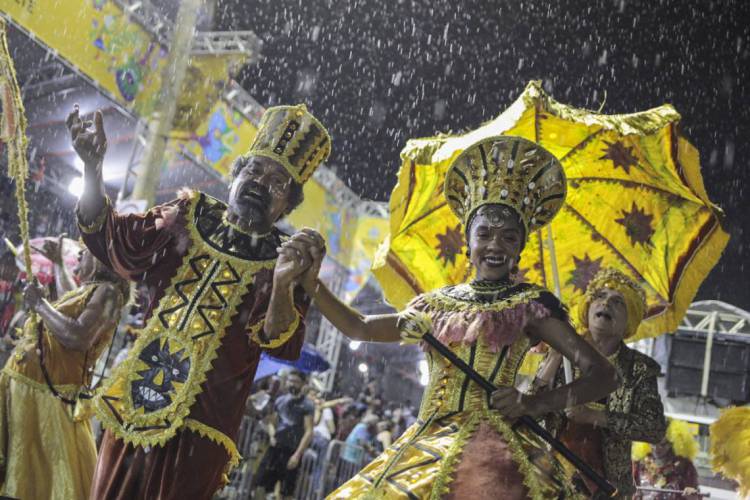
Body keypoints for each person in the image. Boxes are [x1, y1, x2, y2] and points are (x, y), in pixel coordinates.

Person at [287, 135, 619, 498]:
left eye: (509, 238)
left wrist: (532, 403)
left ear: (520, 249)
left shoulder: (530, 304)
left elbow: (603, 375)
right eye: (485, 234)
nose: (496, 245)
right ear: (468, 241)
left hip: (494, 454)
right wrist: (312, 283)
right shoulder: (435, 305)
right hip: (426, 439)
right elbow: (359, 326)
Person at [67, 102, 330, 498]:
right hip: (134, 406)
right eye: (254, 170)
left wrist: (281, 282)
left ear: (287, 205)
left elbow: (279, 339)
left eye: (278, 181)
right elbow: (108, 237)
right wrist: (92, 169)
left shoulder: (289, 258)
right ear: (236, 175)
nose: (260, 182)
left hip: (200, 434)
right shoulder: (190, 215)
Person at [0, 247, 128, 499]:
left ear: (105, 261)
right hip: (26, 395)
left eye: (88, 249)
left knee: (37, 486)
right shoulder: (90, 291)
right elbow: (71, 299)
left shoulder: (109, 293)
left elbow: (77, 336)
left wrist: (39, 304)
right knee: (19, 482)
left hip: (47, 404)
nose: (80, 253)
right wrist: (58, 263)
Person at [534, 267, 667, 498]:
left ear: (629, 320)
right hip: (549, 479)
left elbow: (654, 428)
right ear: (587, 308)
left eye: (618, 302)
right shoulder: (562, 351)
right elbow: (530, 412)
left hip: (604, 486)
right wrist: (553, 360)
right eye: (599, 296)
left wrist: (595, 417)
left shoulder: (640, 369)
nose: (605, 304)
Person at [253, 369, 314, 499]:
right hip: (275, 448)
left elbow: (309, 431)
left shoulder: (307, 405)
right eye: (290, 380)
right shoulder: (280, 400)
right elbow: (271, 422)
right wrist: (271, 434)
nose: (292, 384)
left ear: (303, 384)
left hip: (292, 451)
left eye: (296, 382)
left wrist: (297, 455)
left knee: (286, 492)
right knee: (260, 485)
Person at [632, 419, 701, 499]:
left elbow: (696, 496)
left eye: (663, 445)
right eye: (653, 443)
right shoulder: (640, 463)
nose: (656, 448)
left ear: (673, 443)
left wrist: (692, 496)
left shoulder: (684, 466)